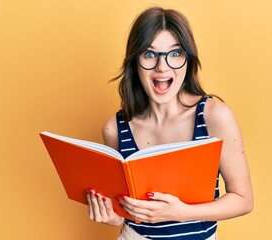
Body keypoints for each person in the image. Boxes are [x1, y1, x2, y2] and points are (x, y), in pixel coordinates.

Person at [85, 7, 253, 240]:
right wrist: (113, 217)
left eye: (174, 54)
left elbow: (243, 199)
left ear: (187, 60)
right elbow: (124, 212)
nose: (162, 67)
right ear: (135, 62)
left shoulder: (214, 116)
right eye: (150, 54)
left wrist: (182, 212)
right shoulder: (115, 128)